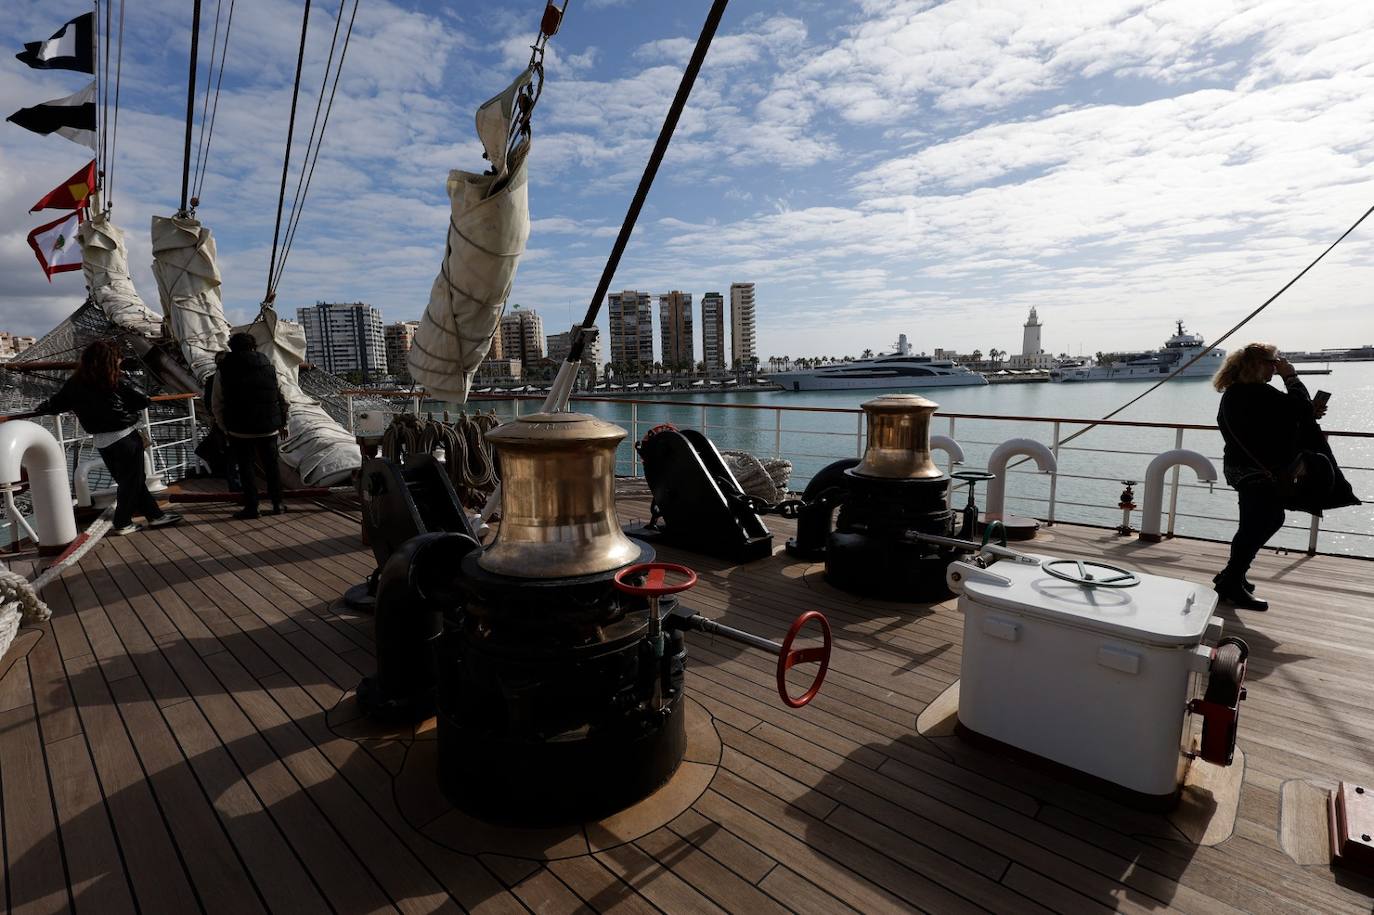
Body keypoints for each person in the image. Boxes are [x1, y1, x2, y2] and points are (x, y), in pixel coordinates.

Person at [29, 340, 183, 536]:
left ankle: (155, 516)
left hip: (103, 442)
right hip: (124, 437)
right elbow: (142, 400)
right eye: (117, 358)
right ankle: (122, 522)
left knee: (132, 481)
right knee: (132, 482)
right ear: (111, 360)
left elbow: (56, 404)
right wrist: (132, 413)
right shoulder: (114, 380)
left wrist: (43, 407)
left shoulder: (75, 382)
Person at [1213, 343, 1324, 610]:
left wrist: (1306, 412)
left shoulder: (1236, 393)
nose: (1277, 366)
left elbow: (1281, 417)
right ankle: (1232, 579)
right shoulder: (1257, 392)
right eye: (1273, 362)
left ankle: (1232, 576)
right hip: (1257, 470)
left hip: (1241, 467)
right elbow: (1296, 408)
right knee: (1267, 520)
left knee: (1254, 524)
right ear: (1258, 364)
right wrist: (1291, 376)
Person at [213, 332, 289, 519]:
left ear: (231, 347)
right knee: (272, 467)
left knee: (246, 469)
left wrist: (225, 428)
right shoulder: (269, 367)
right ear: (254, 346)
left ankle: (252, 507)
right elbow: (283, 398)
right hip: (268, 427)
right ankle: (278, 503)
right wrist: (282, 422)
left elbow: (217, 403)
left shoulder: (223, 370)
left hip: (239, 430)